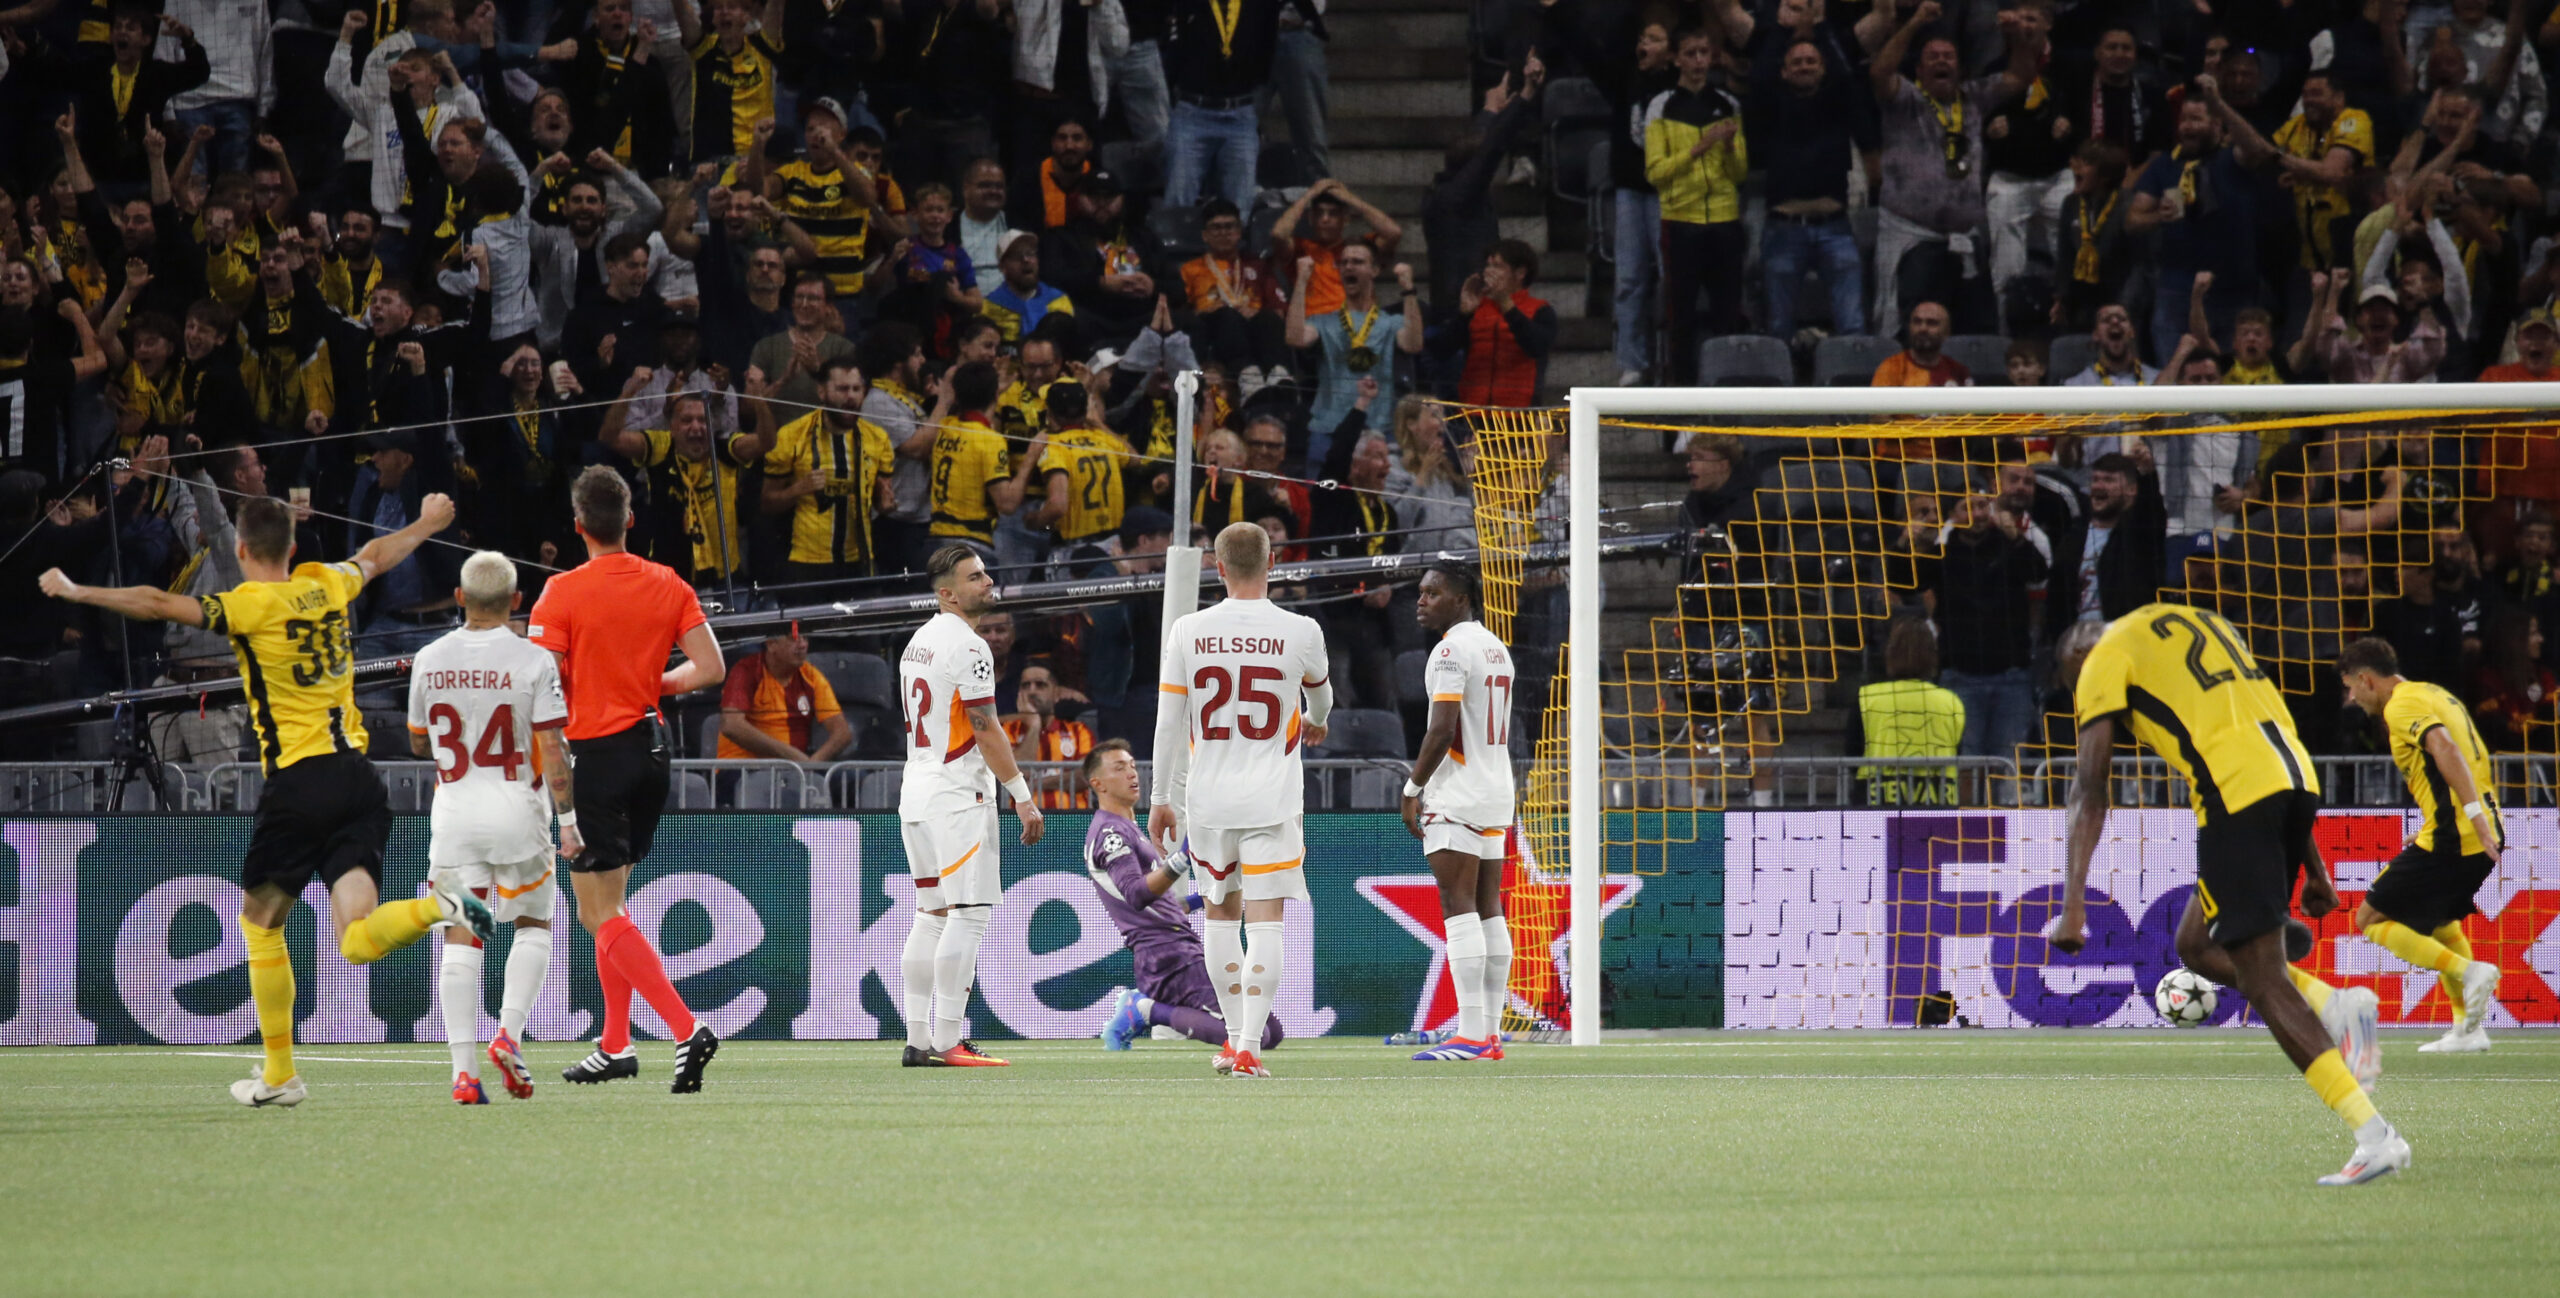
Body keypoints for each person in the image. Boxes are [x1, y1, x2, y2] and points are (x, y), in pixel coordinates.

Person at [38, 494, 494, 1108]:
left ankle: (280, 1075)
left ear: (241, 549)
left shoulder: (248, 604)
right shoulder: (325, 583)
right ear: (294, 547)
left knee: (260, 924)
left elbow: (153, 601)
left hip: (301, 782)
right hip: (359, 780)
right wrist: (432, 522)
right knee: (357, 939)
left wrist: (76, 590)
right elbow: (377, 557)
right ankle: (440, 906)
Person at [2049, 610, 2400, 1186]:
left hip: (2234, 796)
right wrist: (2314, 868)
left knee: (2262, 981)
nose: (2081, 698)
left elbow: (2090, 786)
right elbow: (2262, 736)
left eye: (2073, 687)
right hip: (2295, 778)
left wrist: (2073, 903)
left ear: (2077, 660)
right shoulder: (2195, 621)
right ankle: (2337, 1006)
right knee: (2194, 942)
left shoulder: (2098, 660)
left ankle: (2374, 1136)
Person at [533, 467, 729, 1092]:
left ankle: (684, 1027)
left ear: (577, 525)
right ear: (630, 521)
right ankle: (615, 1045)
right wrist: (654, 684)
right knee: (610, 904)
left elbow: (544, 689)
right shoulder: (667, 581)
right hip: (651, 750)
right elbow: (710, 668)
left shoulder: (559, 593)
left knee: (597, 913)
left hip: (595, 757)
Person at [1149, 521, 1332, 1078]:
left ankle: (1232, 1039)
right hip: (1271, 798)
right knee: (1267, 922)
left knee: (1220, 920)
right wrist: (1316, 723)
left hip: (1207, 798)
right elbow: (1322, 698)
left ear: (1218, 567)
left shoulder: (1188, 630)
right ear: (1272, 562)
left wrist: (1160, 796)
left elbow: (1168, 721)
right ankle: (1249, 1044)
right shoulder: (1301, 630)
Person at [407, 551, 571, 1105]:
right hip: (518, 819)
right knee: (532, 923)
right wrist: (567, 821)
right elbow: (554, 748)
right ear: (517, 602)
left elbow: (416, 740)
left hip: (455, 818)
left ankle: (463, 1073)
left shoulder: (429, 658)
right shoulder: (534, 660)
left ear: (459, 599)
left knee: (463, 935)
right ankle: (510, 1033)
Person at [897, 546, 1047, 1067]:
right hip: (958, 795)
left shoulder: (917, 641)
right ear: (947, 593)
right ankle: (946, 1040)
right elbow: (984, 727)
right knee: (970, 914)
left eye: (985, 573)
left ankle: (919, 1039)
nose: (987, 582)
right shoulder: (969, 646)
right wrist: (1023, 797)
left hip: (915, 791)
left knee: (931, 914)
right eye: (974, 577)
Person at [2335, 637, 2506, 1054]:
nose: (2352, 699)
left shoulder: (2400, 705)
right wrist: (2462, 817)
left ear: (2365, 679)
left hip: (2458, 835)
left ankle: (2468, 972)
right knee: (2441, 923)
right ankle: (2468, 1030)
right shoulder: (2433, 692)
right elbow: (2471, 754)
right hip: (2469, 829)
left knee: (2370, 919)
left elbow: (2445, 747)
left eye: (2350, 688)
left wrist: (2469, 817)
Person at [1087, 740, 1284, 1053]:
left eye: (1133, 766)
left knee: (1271, 1031)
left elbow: (1166, 906)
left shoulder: (1130, 828)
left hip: (1181, 946)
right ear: (1097, 783)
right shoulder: (1111, 834)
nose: (1131, 774)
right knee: (1255, 1038)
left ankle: (1145, 1009)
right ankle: (1142, 1009)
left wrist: (1209, 896)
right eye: (1119, 768)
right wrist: (1183, 857)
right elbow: (1136, 895)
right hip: (1165, 957)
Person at [1399, 563, 1517, 1062]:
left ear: (1462, 598)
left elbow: (1442, 730)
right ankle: (1489, 1033)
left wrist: (1412, 787)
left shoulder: (1449, 650)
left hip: (1459, 792)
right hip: (1496, 787)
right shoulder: (1496, 647)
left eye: (1433, 592)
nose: (1421, 601)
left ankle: (1469, 1030)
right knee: (1490, 907)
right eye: (1420, 592)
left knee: (1458, 904)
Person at [1643, 26, 1747, 387]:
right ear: (1676, 59)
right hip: (1680, 220)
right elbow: (1656, 172)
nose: (1699, 61)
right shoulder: (1661, 106)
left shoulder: (1727, 104)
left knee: (1728, 313)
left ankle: (1728, 393)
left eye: (1704, 52)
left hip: (1724, 220)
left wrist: (1730, 147)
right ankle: (1682, 404)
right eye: (1691, 53)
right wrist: (1699, 149)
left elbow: (1738, 173)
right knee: (1681, 316)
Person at [1926, 490, 2045, 799]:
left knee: (2009, 763)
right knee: (1967, 759)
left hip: (2012, 674)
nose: (1978, 513)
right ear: (1953, 515)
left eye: (1983, 506)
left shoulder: (2009, 545)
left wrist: (2016, 537)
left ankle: (2010, 832)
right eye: (1968, 507)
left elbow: (2039, 572)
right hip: (1961, 674)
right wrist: (1906, 543)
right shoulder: (1941, 553)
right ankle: (1968, 830)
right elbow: (1904, 580)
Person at [760, 356, 895, 590]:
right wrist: (797, 489)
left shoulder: (878, 439)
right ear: (822, 392)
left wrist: (884, 504)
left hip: (860, 560)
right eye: (842, 389)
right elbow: (766, 503)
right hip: (806, 563)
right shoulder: (792, 435)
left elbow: (880, 498)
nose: (851, 396)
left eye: (856, 389)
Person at [1285, 244, 1422, 466]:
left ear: (1374, 271)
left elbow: (1414, 344)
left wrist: (1408, 289)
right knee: (1323, 498)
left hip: (1379, 428)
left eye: (1357, 262)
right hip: (1329, 428)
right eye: (1344, 262)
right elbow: (1294, 338)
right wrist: (1301, 281)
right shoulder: (1323, 321)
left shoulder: (1390, 323)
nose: (1349, 266)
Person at [1849, 618, 1965, 808]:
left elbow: (1852, 753)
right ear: (1933, 656)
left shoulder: (1867, 697)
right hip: (1939, 801)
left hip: (1876, 800)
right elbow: (1957, 750)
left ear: (1891, 653)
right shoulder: (1951, 701)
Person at [718, 629, 852, 763]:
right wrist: (791, 756)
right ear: (771, 645)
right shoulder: (747, 670)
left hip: (794, 771)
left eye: (805, 638)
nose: (802, 645)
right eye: (792, 639)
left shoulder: (811, 676)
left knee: (850, 778)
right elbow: (731, 725)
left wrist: (813, 763)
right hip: (743, 769)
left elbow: (842, 733)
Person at [1002, 657, 1096, 809]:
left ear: (1056, 692)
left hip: (1074, 823)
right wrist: (1033, 725)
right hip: (1020, 825)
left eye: (1040, 685)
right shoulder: (1008, 731)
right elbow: (1016, 775)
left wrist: (1034, 784)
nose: (1032, 691)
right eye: (1026, 686)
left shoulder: (1079, 731)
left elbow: (1085, 777)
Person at [1871, 300, 1968, 386]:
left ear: (1946, 332)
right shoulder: (1892, 368)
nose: (1923, 328)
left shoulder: (1957, 371)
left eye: (1931, 323)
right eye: (1917, 322)